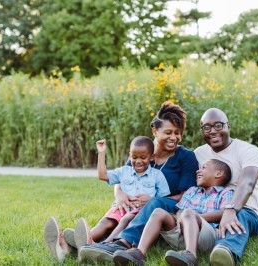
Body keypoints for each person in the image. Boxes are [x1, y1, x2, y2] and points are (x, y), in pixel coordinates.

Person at [78, 101, 199, 263]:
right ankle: (83, 243)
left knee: (154, 202)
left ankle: (123, 242)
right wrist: (119, 194)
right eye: (168, 132)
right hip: (135, 204)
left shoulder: (186, 156)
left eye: (178, 133)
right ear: (155, 131)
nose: (174, 137)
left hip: (169, 206)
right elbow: (124, 176)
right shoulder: (143, 151)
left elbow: (187, 195)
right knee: (112, 217)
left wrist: (154, 201)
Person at [43, 136, 170, 261]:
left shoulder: (157, 176)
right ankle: (76, 243)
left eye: (143, 157)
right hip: (121, 207)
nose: (138, 161)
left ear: (152, 157)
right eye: (134, 157)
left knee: (125, 221)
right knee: (105, 223)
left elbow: (164, 199)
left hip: (139, 212)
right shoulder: (123, 171)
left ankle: (93, 245)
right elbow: (102, 175)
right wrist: (101, 153)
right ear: (129, 155)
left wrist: (151, 199)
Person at [112, 159, 234, 266]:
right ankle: (139, 253)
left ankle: (191, 255)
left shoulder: (225, 192)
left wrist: (194, 217)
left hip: (206, 235)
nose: (198, 171)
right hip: (181, 233)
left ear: (218, 173)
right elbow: (180, 210)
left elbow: (224, 212)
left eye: (203, 167)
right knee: (159, 212)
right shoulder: (192, 191)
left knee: (188, 213)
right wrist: (184, 219)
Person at [194, 108, 258, 266]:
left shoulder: (248, 151)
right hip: (211, 210)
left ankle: (225, 250)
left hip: (246, 212)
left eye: (218, 125)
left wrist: (231, 209)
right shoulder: (198, 154)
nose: (213, 131)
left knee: (240, 215)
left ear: (228, 126)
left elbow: (247, 183)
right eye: (207, 127)